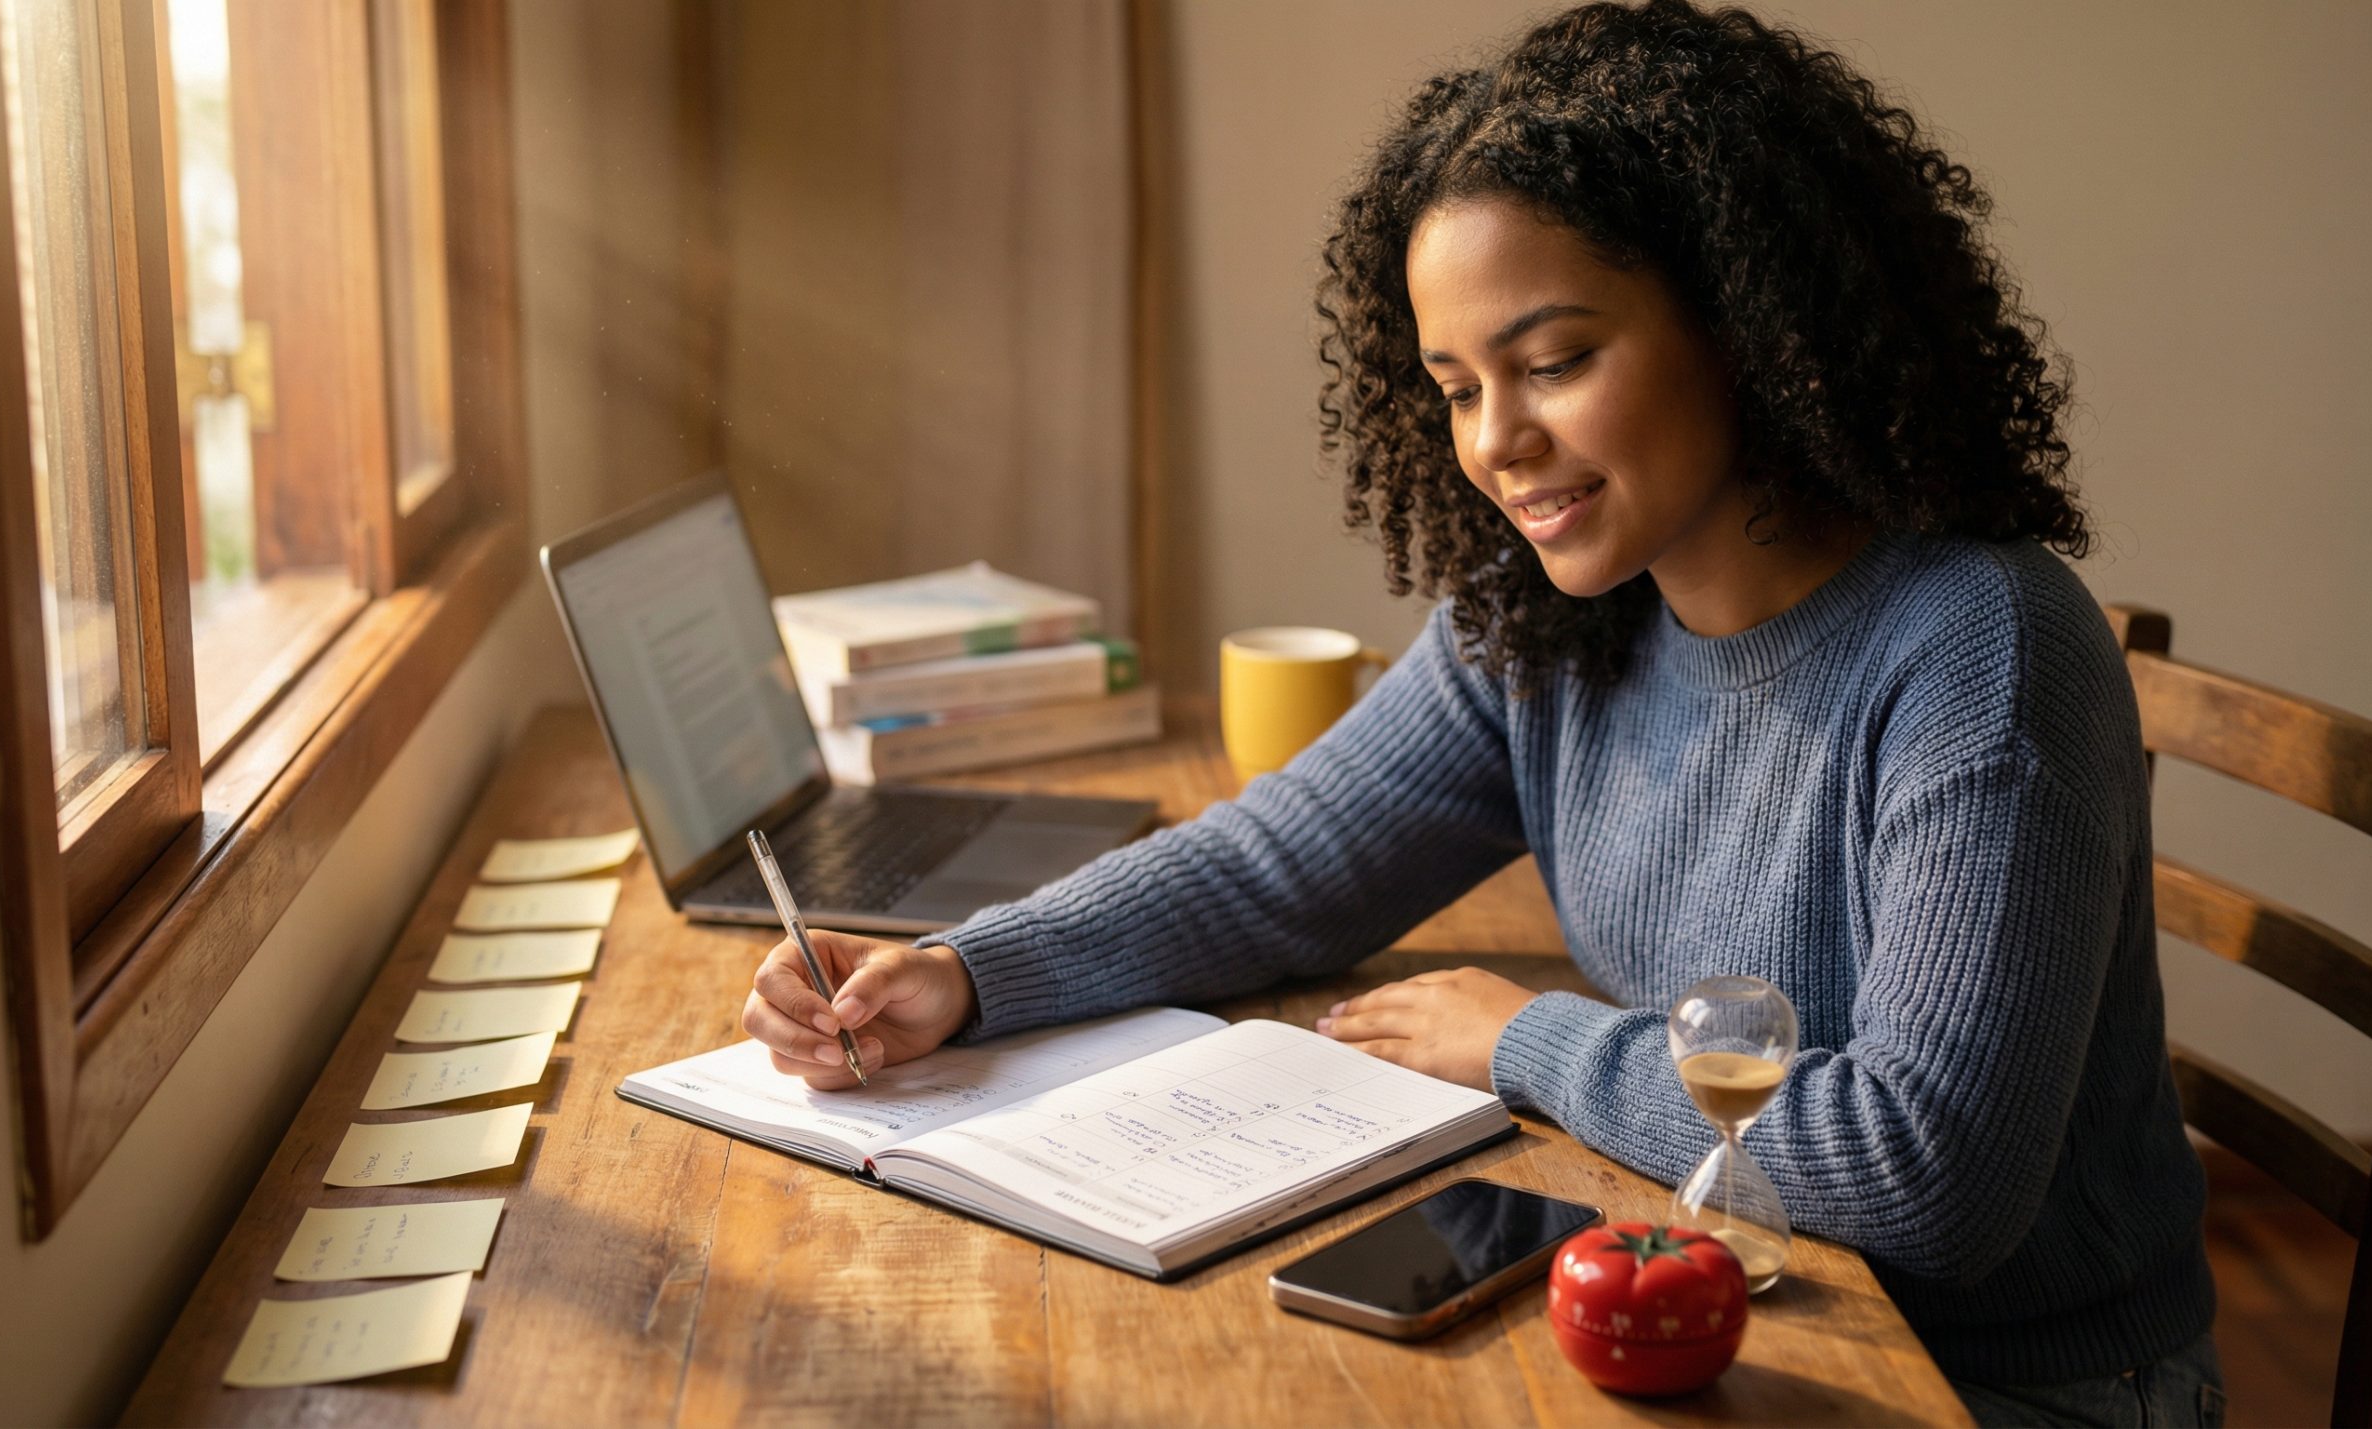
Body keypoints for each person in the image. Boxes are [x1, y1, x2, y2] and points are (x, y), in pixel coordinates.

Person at [739, 3, 2222, 1423]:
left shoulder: (1985, 651)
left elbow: (1931, 1175)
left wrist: (1529, 1043)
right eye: (1454, 386)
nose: (1497, 444)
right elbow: (1279, 863)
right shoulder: (1551, 619)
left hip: (2001, 1382)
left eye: (1555, 361)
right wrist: (960, 972)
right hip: (1714, 1302)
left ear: (1749, 320)